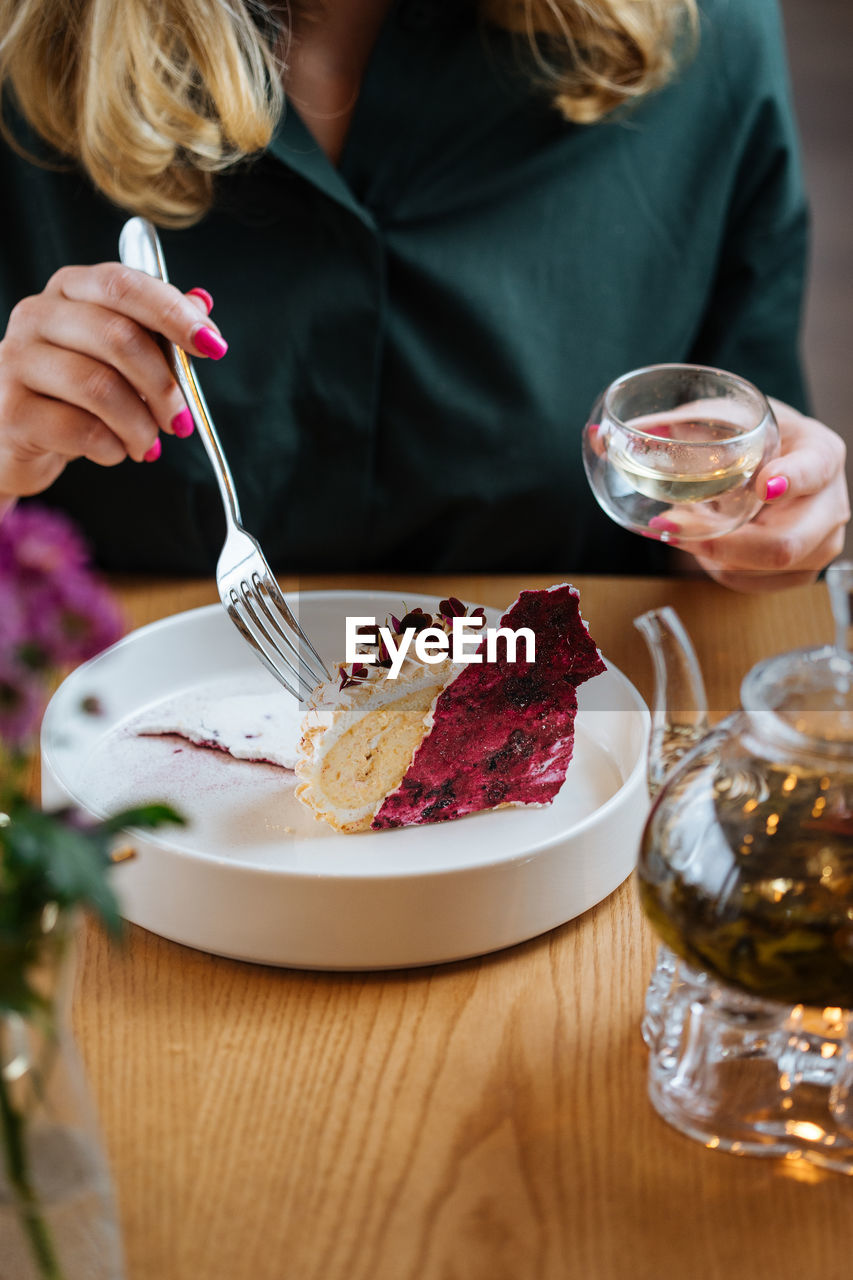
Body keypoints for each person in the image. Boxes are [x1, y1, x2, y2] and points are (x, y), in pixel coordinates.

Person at [0, 0, 847, 592]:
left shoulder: (706, 30)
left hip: (567, 763)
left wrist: (760, 525)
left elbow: (729, 511)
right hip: (119, 779)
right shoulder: (24, 43)